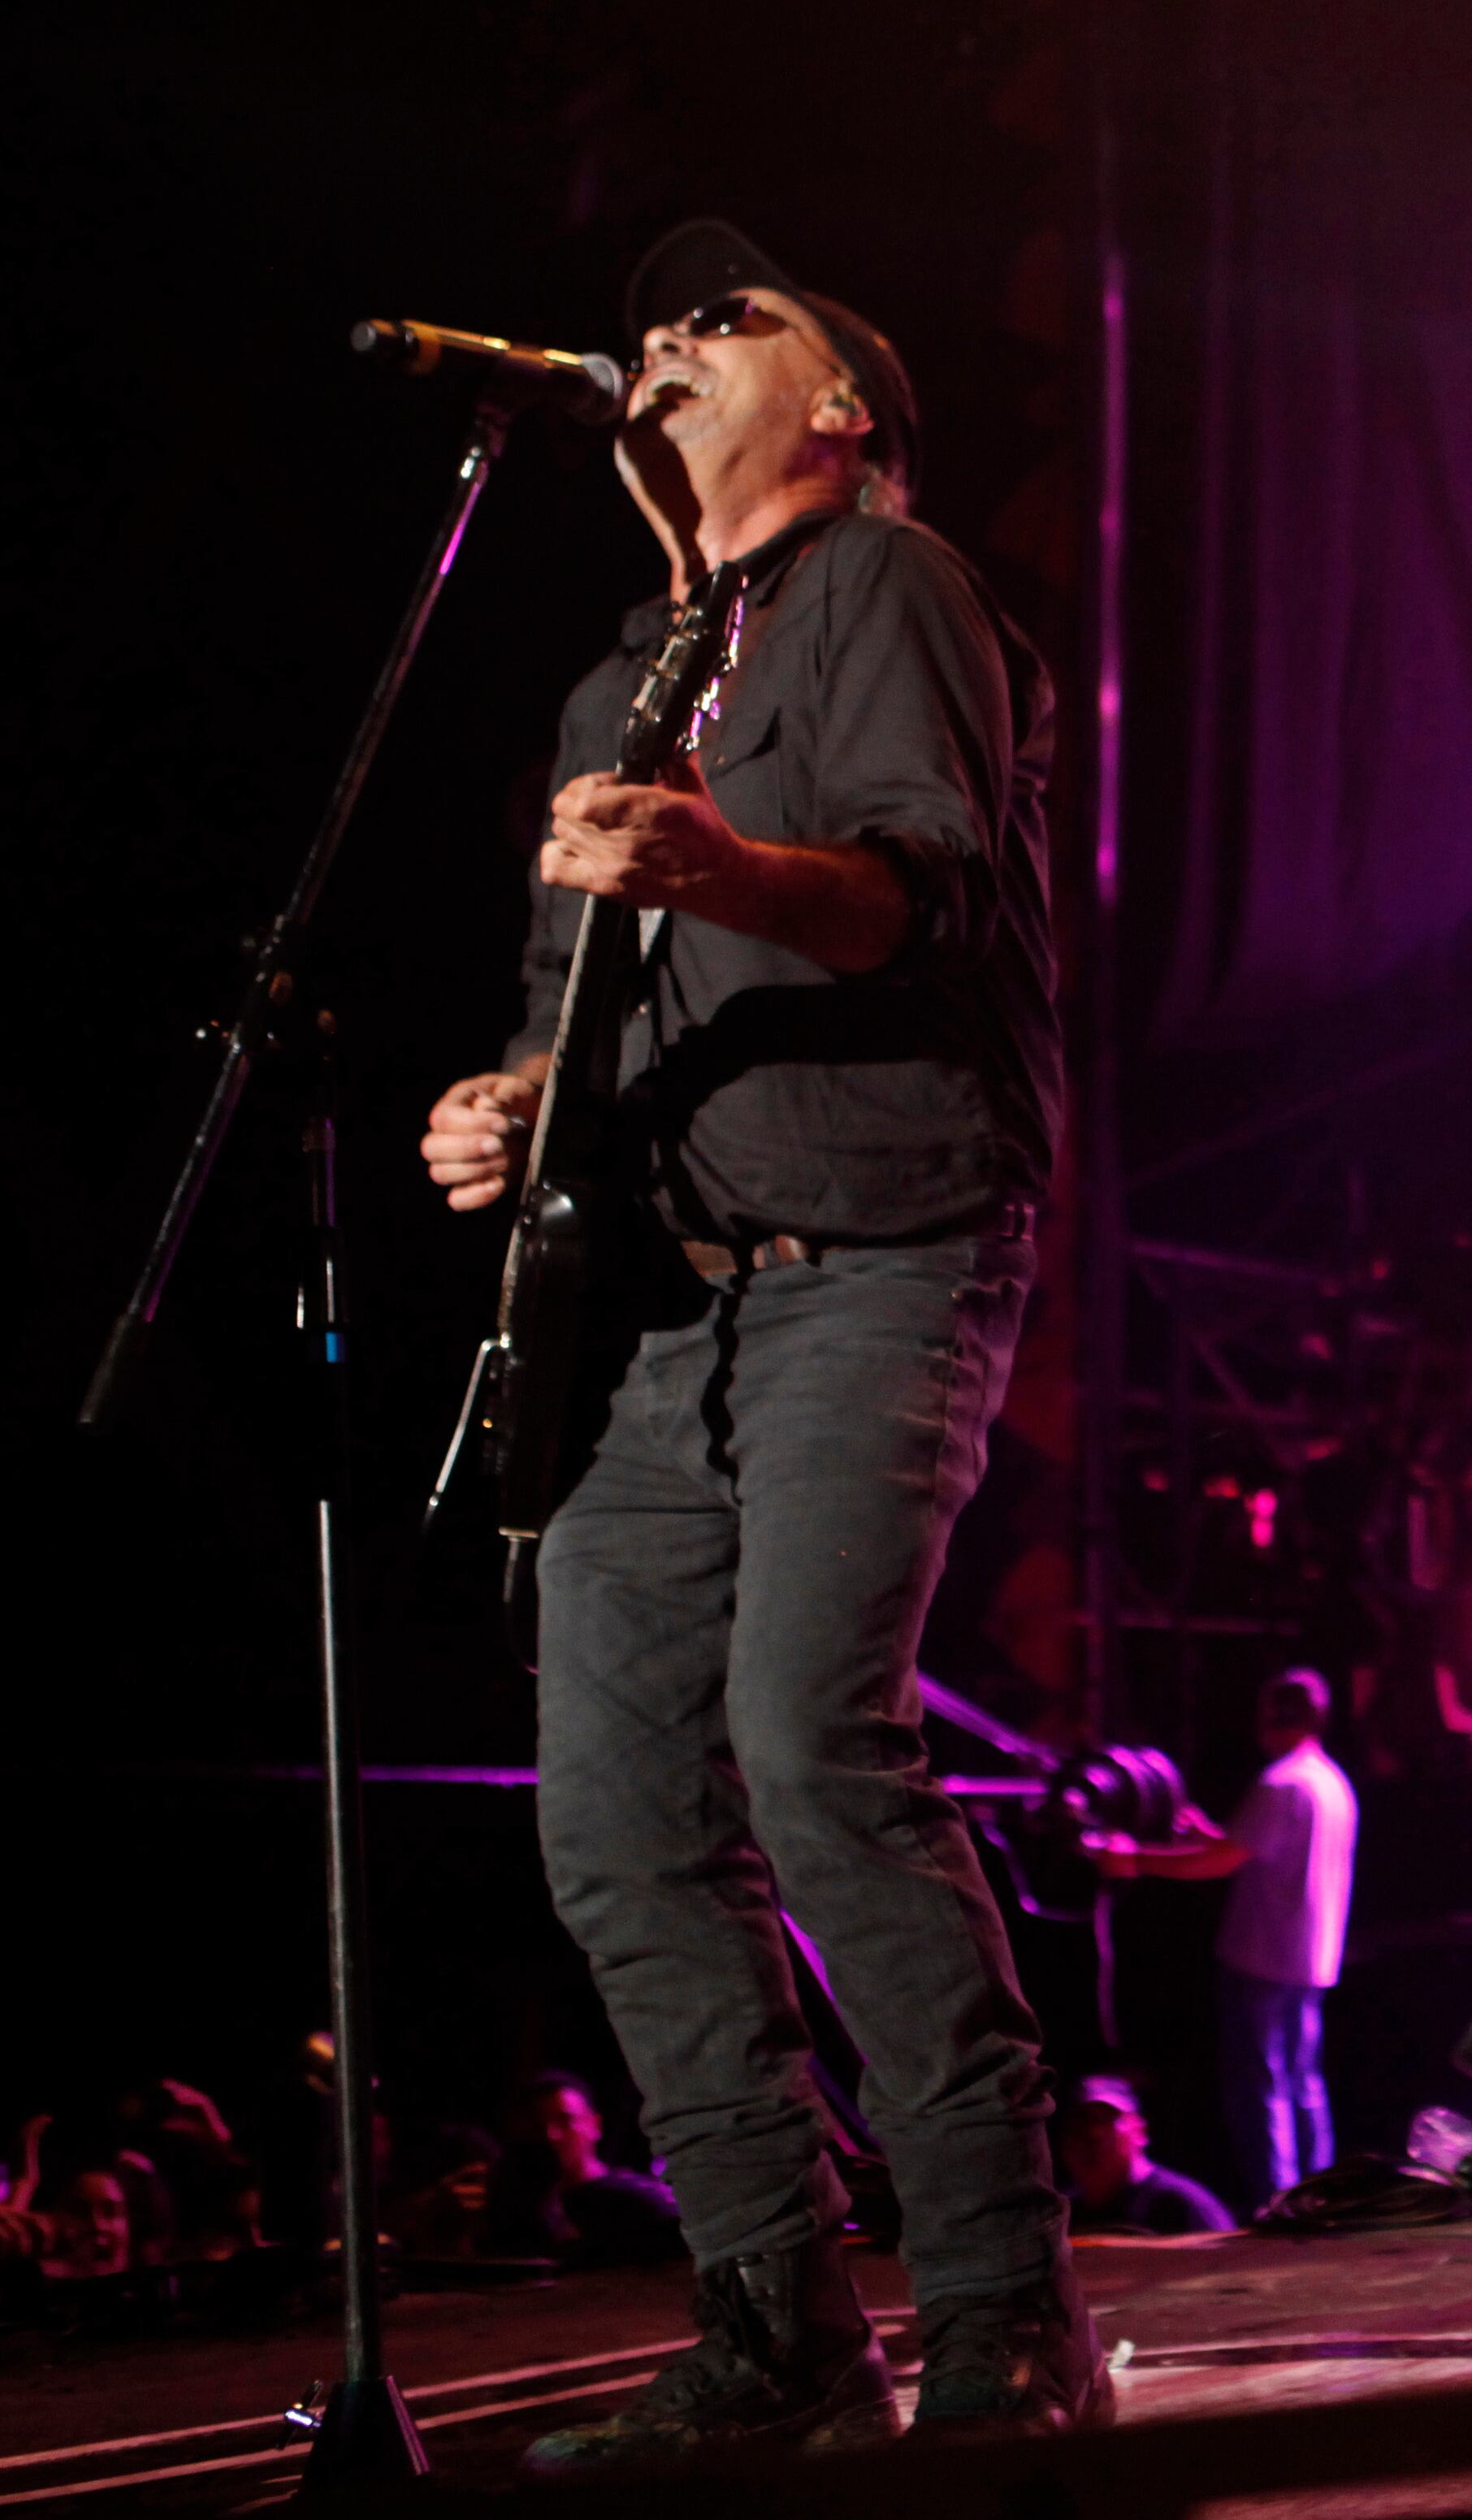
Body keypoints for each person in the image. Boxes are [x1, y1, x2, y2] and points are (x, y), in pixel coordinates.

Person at [417, 218, 1096, 2462]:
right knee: (613, 1816)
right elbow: (571, 1005)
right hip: (655, 1300)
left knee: (814, 1750)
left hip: (881, 1253)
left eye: (736, 317)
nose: (675, 338)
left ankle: (1009, 2310)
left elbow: (912, 882)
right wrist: (514, 1109)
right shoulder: (619, 676)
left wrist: (725, 870)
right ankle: (777, 2321)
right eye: (663, 319)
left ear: (841, 410)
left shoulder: (888, 584)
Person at [1100, 1670, 1360, 2202]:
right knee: (1304, 2085)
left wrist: (1133, 1859)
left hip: (1262, 1958)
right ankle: (1321, 2196)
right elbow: (1260, 1854)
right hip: (1311, 1959)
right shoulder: (1332, 1782)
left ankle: (1279, 2201)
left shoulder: (1283, 1782)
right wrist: (1214, 1836)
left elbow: (1221, 1862)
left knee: (1262, 2090)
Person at [497, 2076, 686, 2268]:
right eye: (538, 2125)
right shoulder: (525, 2211)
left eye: (565, 2120)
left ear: (595, 2125)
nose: (551, 2135)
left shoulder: (640, 2200)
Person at [1056, 2081, 1234, 2236]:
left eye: (1107, 2120)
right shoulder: (1060, 2215)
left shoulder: (1181, 2205)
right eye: (1079, 2124)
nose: (1092, 2134)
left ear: (1140, 2131)